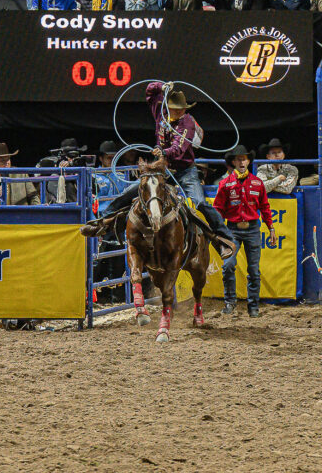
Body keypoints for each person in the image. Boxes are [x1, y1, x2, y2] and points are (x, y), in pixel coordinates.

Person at [84, 83, 235, 257]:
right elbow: (150, 92)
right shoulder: (161, 113)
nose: (177, 112)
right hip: (162, 169)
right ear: (167, 107)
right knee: (131, 191)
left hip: (184, 171)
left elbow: (179, 148)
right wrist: (162, 86)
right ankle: (103, 222)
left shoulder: (187, 122)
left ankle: (222, 239)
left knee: (200, 202)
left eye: (180, 109)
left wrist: (163, 152)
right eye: (174, 109)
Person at [214, 145, 276, 317]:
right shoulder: (225, 184)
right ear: (233, 162)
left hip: (252, 228)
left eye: (244, 158)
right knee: (228, 266)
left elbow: (264, 207)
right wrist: (218, 230)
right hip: (231, 230)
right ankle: (230, 302)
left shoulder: (257, 183)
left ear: (249, 161)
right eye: (238, 159)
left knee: (254, 270)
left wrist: (271, 228)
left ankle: (253, 306)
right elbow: (217, 208)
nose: (242, 161)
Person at [0, 142, 39, 206]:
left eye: (8, 159)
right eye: (2, 160)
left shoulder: (21, 174)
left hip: (19, 214)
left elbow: (33, 196)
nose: (7, 163)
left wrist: (37, 210)